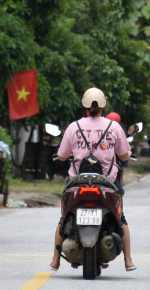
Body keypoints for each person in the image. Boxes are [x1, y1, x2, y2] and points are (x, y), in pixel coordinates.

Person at [51, 88, 136, 272]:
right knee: (121, 220)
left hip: (78, 183)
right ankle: (128, 260)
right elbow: (123, 155)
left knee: (64, 218)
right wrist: (126, 152)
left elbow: (63, 156)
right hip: (107, 183)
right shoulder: (113, 127)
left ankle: (55, 260)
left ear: (85, 107)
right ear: (103, 107)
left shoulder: (74, 127)